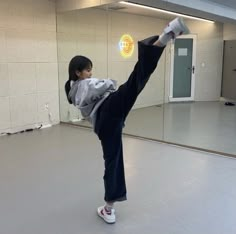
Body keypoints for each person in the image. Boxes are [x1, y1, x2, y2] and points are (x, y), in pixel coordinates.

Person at [65, 17, 190, 224]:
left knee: (138, 79)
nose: (90, 73)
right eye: (87, 70)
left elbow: (90, 90)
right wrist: (110, 83)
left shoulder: (75, 88)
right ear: (77, 72)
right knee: (136, 80)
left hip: (109, 117)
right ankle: (164, 37)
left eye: (90, 69)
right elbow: (99, 85)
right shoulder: (81, 86)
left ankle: (165, 37)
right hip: (109, 113)